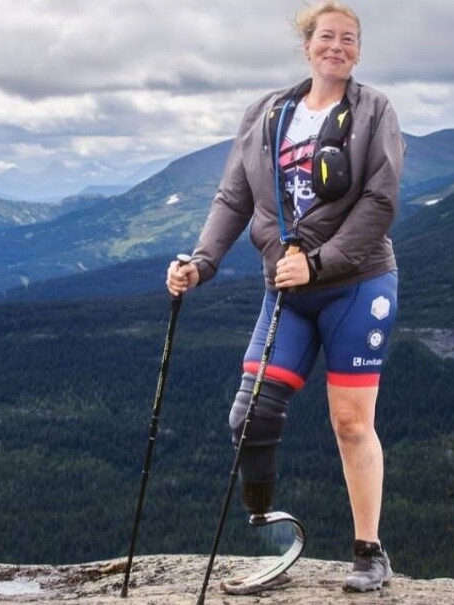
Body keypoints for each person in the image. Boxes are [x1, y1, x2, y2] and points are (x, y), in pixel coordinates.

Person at [166, 0, 404, 593]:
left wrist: (319, 262)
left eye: (348, 39)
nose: (337, 47)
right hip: (287, 292)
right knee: (250, 416)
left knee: (350, 423)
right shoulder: (266, 114)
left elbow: (380, 201)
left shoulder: (374, 111)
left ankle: (370, 551)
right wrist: (201, 263)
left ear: (358, 51)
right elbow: (233, 198)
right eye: (327, 37)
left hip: (357, 286)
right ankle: (273, 536)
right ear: (307, 46)